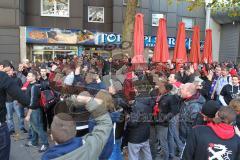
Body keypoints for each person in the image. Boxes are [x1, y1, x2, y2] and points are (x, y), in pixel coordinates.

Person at [42, 90, 113, 160]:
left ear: (52, 137)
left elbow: (66, 106)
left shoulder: (47, 157)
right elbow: (105, 123)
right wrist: (89, 101)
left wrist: (72, 99)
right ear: (75, 133)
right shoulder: (91, 147)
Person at [0, 60, 30, 160]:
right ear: (1, 67)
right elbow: (22, 97)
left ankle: (20, 128)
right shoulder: (2, 76)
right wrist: (32, 104)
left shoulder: (14, 77)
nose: (7, 73)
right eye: (6, 71)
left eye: (9, 71)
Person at [24, 70, 49, 152]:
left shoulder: (34, 87)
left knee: (38, 127)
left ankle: (45, 144)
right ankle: (34, 142)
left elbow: (33, 102)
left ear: (34, 77)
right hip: (33, 109)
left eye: (29, 76)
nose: (27, 77)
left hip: (34, 110)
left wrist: (28, 114)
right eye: (27, 76)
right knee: (33, 126)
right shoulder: (32, 85)